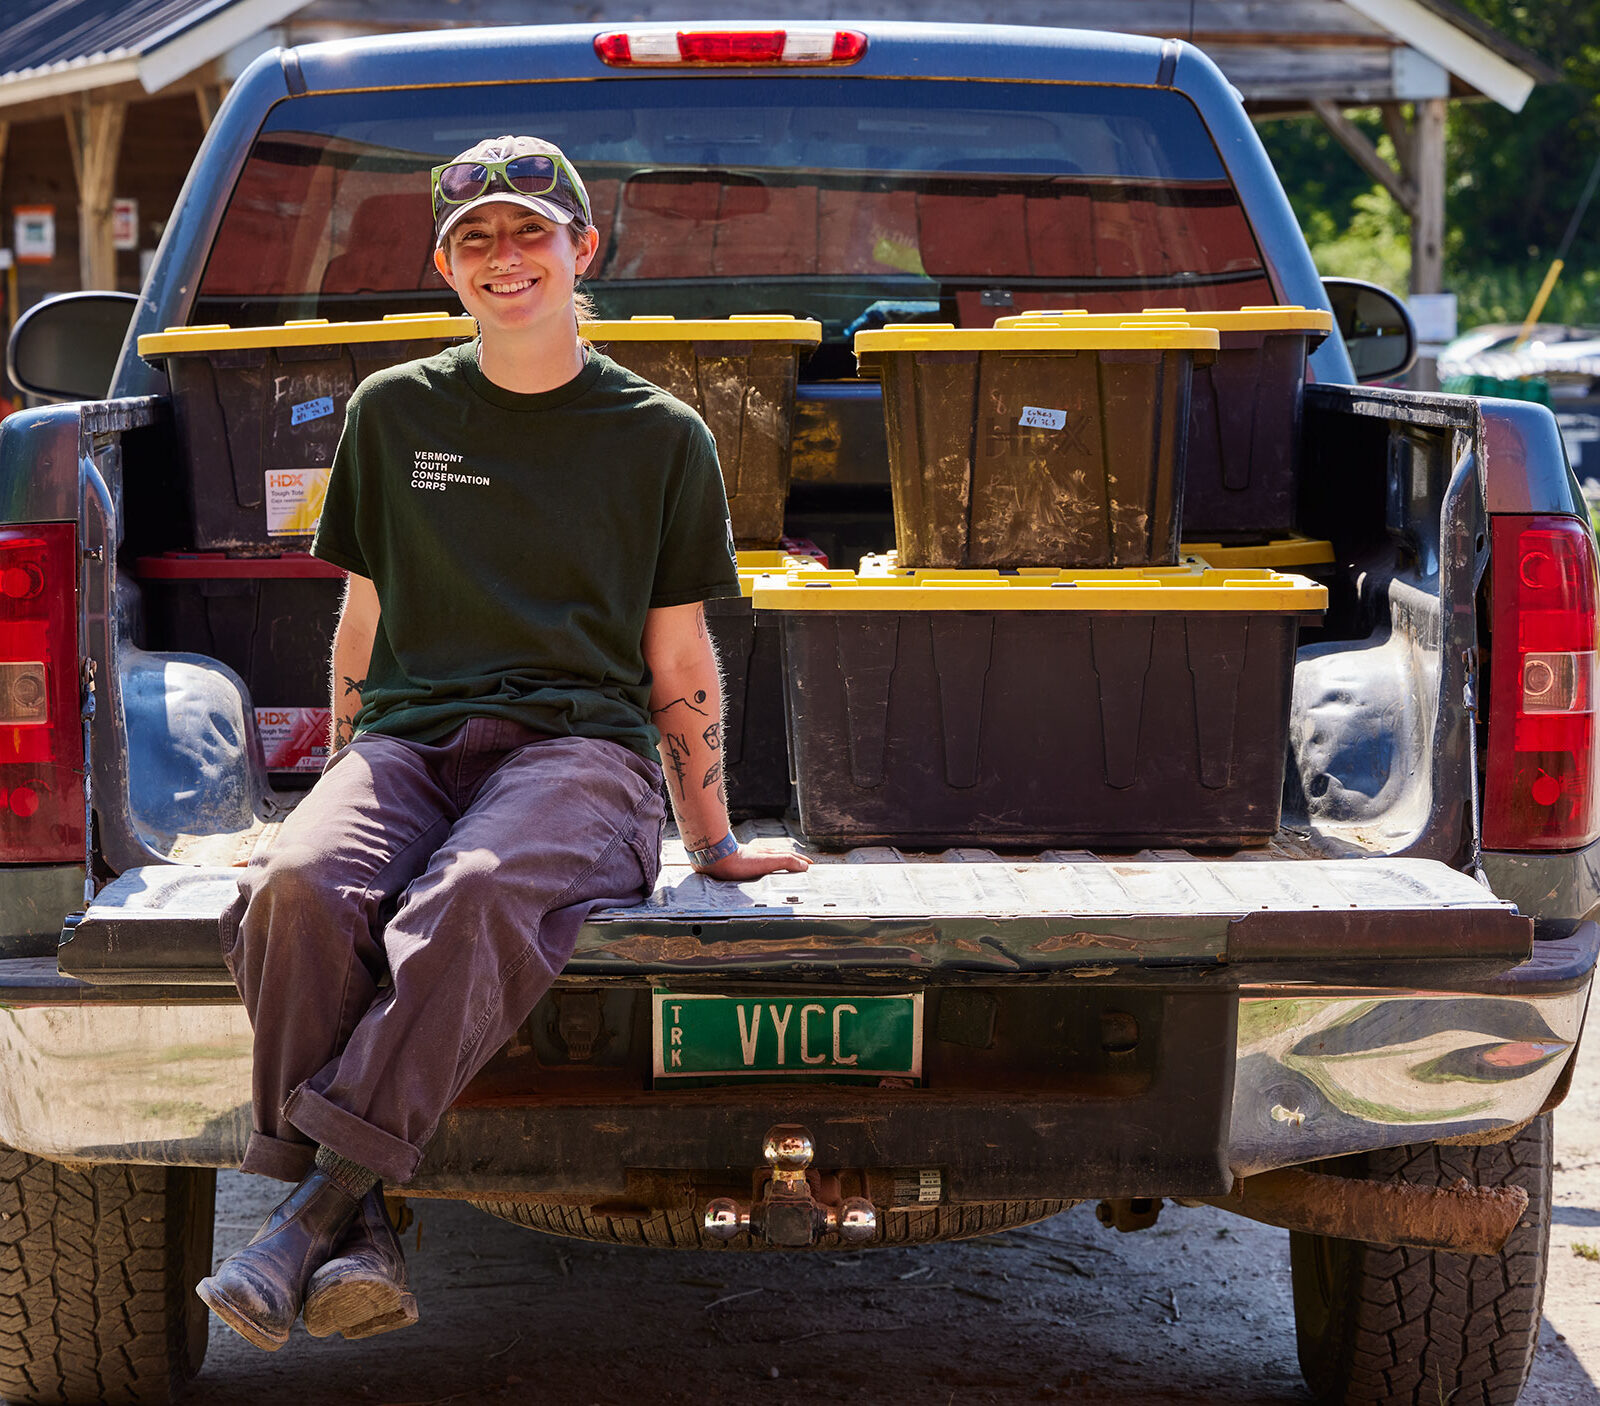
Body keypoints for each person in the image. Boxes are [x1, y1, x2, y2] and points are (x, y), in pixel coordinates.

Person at [199, 135, 810, 1352]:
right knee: (303, 887)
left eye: (531, 232)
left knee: (474, 894)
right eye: (475, 238)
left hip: (580, 752)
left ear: (582, 250)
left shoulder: (661, 434)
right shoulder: (392, 411)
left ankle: (313, 1206)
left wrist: (714, 834)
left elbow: (678, 656)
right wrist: (334, 797)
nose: (505, 256)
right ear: (445, 265)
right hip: (414, 740)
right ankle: (354, 1222)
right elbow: (362, 622)